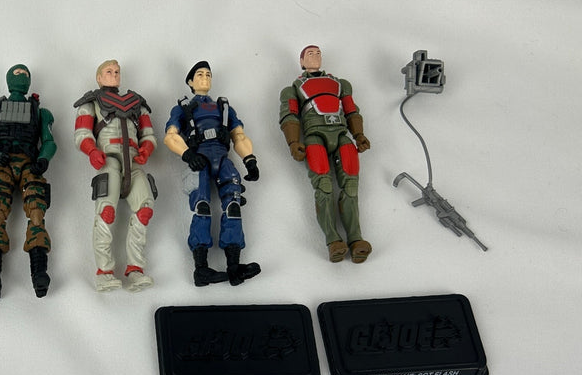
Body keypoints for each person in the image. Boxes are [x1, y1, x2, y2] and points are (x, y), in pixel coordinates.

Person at [164, 60, 261, 286]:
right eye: (199, 74)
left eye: (208, 74)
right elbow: (170, 136)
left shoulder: (224, 107)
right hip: (199, 158)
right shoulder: (183, 108)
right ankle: (201, 269)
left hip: (222, 158)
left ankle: (234, 267)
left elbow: (239, 136)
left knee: (233, 206)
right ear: (190, 82)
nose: (205, 78)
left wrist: (249, 159)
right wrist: (188, 154)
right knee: (202, 207)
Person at [0, 64, 56, 299]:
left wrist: (43, 160)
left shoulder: (41, 112)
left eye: (25, 75)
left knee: (36, 213)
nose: (21, 79)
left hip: (29, 164)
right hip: (3, 164)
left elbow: (49, 141)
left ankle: (40, 274)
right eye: (17, 75)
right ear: (8, 80)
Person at [278, 45, 372, 262]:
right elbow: (289, 115)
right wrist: (293, 142)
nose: (315, 56)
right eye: (310, 54)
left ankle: (356, 239)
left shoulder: (340, 84)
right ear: (301, 61)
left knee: (351, 185)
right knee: (324, 186)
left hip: (341, 134)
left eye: (318, 53)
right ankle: (333, 240)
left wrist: (359, 135)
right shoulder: (293, 88)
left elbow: (351, 109)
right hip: (314, 136)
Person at [73, 60, 156, 292]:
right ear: (99, 77)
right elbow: (81, 133)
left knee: (145, 209)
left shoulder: (137, 103)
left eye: (117, 72)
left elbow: (148, 134)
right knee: (106, 211)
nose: (114, 75)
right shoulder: (91, 102)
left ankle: (135, 268)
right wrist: (92, 150)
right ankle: (105, 272)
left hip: (134, 161)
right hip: (108, 159)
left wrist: (146, 148)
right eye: (108, 72)